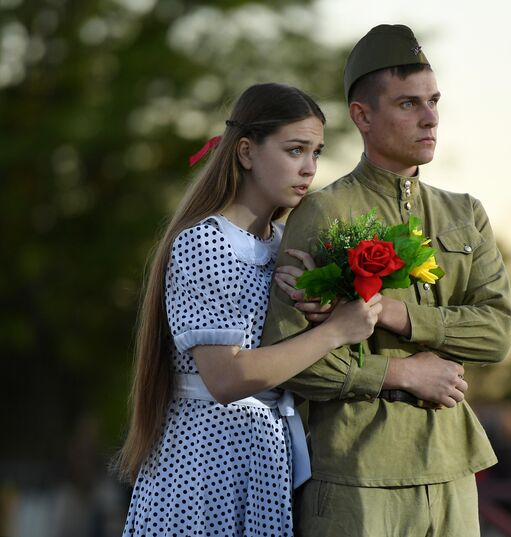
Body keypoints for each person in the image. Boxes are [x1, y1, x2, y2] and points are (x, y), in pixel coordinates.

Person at [261, 24, 511, 537]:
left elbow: (496, 334)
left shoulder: (466, 213)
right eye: (408, 104)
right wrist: (399, 374)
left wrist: (396, 315)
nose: (431, 117)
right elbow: (290, 363)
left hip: (453, 472)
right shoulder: (322, 213)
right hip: (356, 475)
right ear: (363, 116)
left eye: (434, 101)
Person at [115, 83, 383, 537]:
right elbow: (226, 378)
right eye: (295, 149)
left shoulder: (281, 246)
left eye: (316, 153)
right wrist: (334, 331)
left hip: (264, 461)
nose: (309, 168)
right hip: (203, 469)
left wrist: (316, 310)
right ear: (245, 152)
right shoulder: (205, 241)